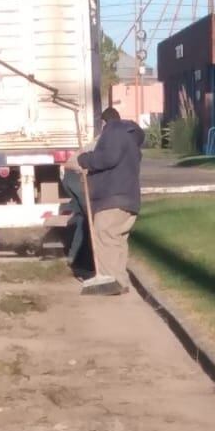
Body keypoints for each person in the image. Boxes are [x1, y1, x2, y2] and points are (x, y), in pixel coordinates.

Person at [76, 106, 144, 295]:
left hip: (112, 199)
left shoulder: (113, 132)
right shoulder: (130, 138)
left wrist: (85, 160)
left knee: (103, 235)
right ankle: (120, 281)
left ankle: (108, 280)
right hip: (129, 200)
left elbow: (108, 158)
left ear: (104, 122)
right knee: (117, 240)